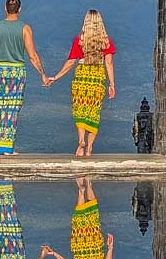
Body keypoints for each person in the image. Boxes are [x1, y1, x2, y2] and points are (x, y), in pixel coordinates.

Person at [0, 0, 50, 154]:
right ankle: (7, 148)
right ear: (19, 9)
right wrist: (43, 74)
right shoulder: (25, 28)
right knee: (11, 109)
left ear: (5, 8)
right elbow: (32, 55)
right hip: (16, 72)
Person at [46, 9, 116, 156]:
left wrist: (56, 77)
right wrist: (112, 85)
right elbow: (108, 63)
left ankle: (81, 142)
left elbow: (71, 61)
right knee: (94, 112)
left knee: (80, 110)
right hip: (97, 77)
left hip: (82, 76)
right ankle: (90, 147)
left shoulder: (80, 41)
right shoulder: (106, 42)